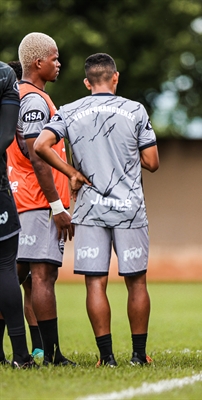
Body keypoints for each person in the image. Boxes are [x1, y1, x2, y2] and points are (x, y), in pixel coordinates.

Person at [34, 53, 159, 367]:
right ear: (115, 78)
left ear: (87, 82)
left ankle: (107, 358)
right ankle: (138, 356)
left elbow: (40, 145)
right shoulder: (135, 110)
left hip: (90, 210)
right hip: (129, 207)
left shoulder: (70, 110)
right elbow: (153, 163)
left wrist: (72, 173)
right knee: (137, 282)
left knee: (95, 282)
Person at [6, 32, 75, 366]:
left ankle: (30, 352)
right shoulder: (34, 100)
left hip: (22, 198)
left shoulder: (16, 94)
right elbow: (37, 156)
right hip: (36, 202)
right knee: (41, 275)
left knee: (16, 276)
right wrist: (58, 206)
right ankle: (51, 354)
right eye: (55, 57)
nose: (59, 64)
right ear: (38, 62)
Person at [6, 60, 43, 358]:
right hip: (24, 200)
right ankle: (32, 350)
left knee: (26, 280)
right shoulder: (18, 114)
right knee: (15, 276)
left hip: (14, 197)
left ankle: (37, 348)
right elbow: (32, 152)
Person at [0, 60, 35, 368]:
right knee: (7, 269)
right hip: (5, 191)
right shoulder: (5, 74)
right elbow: (7, 139)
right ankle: (23, 355)